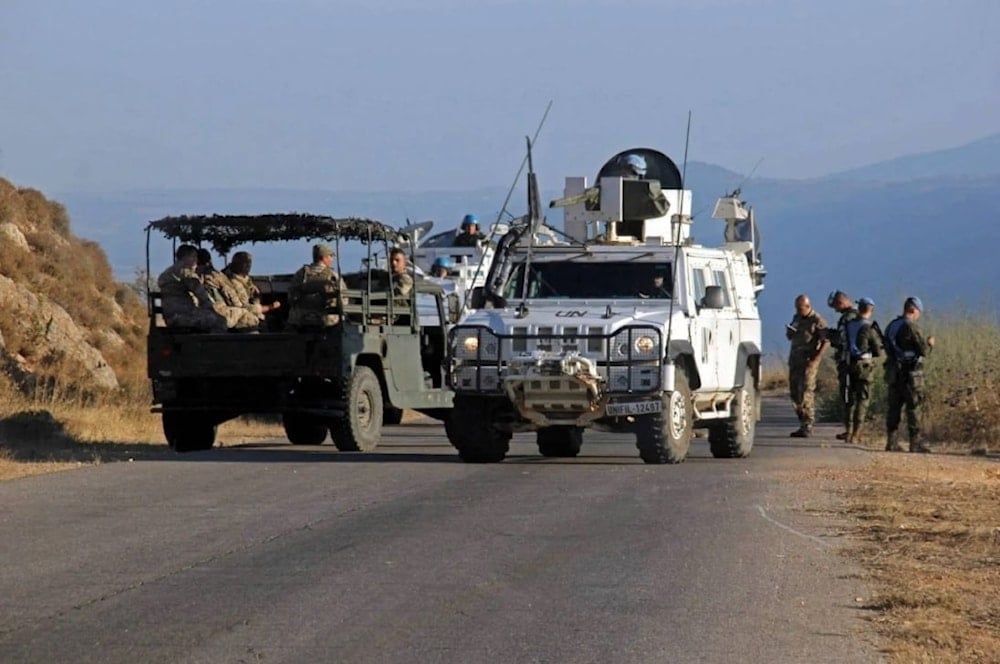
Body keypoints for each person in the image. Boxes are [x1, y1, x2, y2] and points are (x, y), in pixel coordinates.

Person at [883, 296, 935, 453]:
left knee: (894, 407)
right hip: (911, 373)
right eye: (919, 312)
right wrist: (930, 344)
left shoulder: (891, 325)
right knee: (914, 406)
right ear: (913, 310)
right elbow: (923, 351)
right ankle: (915, 442)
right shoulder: (911, 326)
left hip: (894, 371)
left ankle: (891, 442)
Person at [156, 244, 226, 332]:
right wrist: (212, 308)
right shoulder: (185, 272)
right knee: (219, 320)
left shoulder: (168, 272)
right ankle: (214, 341)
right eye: (194, 257)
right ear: (186, 257)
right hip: (183, 316)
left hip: (171, 316)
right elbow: (201, 293)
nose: (196, 260)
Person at [786, 294, 829, 437]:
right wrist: (789, 333)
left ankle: (808, 424)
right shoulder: (797, 318)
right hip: (795, 361)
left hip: (808, 362)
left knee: (806, 392)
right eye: (796, 308)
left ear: (808, 306)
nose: (798, 311)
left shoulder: (817, 320)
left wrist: (815, 359)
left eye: (800, 309)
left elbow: (826, 341)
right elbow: (791, 336)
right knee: (795, 394)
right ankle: (802, 422)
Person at [843, 297, 882, 443]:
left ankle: (848, 430)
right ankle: (856, 433)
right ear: (871, 310)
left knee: (849, 399)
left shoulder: (848, 325)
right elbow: (877, 351)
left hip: (849, 363)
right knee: (863, 399)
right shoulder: (869, 327)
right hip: (864, 365)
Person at [196, 248, 263, 330]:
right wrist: (266, 307)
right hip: (223, 317)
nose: (248, 267)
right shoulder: (215, 278)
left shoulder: (219, 276)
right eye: (246, 264)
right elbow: (237, 304)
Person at [287, 243, 348, 328]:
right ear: (324, 258)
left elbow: (291, 297)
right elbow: (343, 300)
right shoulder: (333, 275)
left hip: (301, 319)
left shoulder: (301, 274)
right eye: (330, 256)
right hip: (328, 321)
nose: (332, 259)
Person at [827, 290, 859, 440]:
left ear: (841, 302)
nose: (835, 310)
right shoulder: (856, 316)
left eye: (835, 306)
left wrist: (828, 335)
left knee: (847, 396)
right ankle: (852, 429)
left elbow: (842, 340)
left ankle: (850, 429)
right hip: (854, 362)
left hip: (847, 362)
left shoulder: (847, 318)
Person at [223, 251, 281, 316]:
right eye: (246, 264)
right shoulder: (234, 283)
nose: (248, 266)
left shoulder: (243, 278)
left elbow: (250, 288)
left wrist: (256, 294)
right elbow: (245, 308)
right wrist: (270, 307)